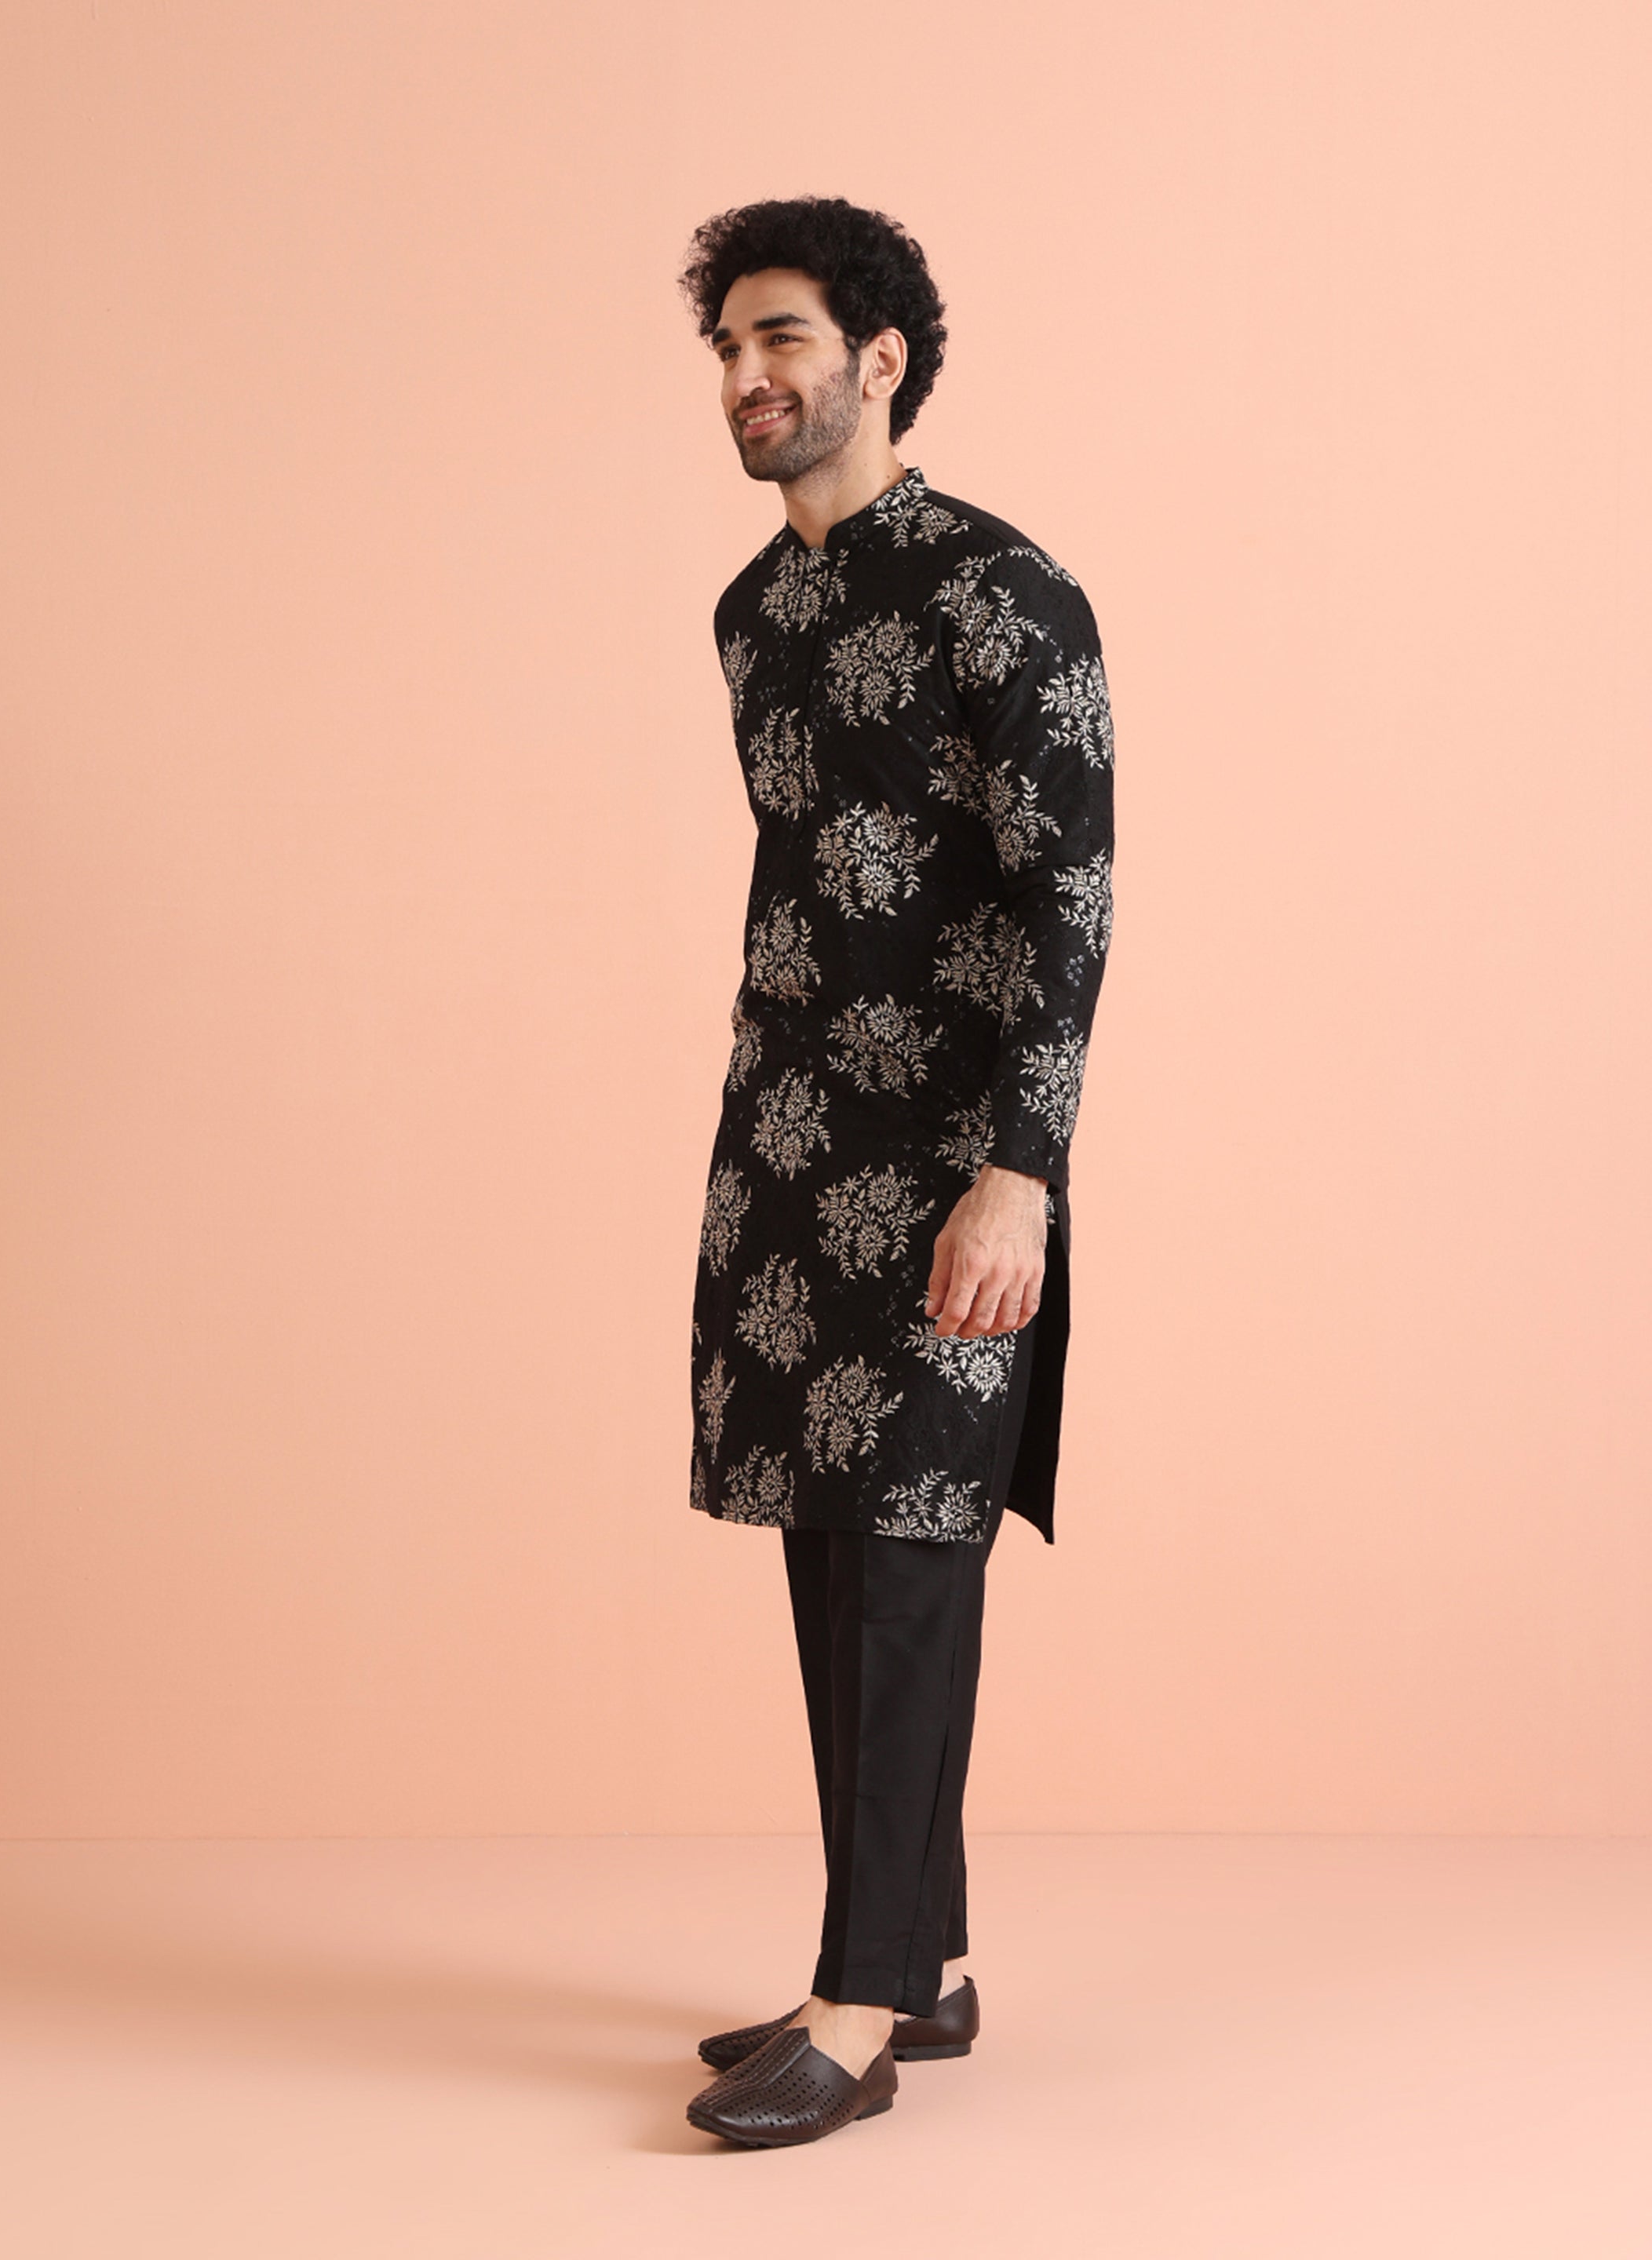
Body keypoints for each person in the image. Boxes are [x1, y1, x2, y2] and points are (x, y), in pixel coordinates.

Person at [678, 196, 1115, 2149]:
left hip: (953, 1160)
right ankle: (916, 1960)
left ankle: (855, 2011)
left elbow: (1067, 898)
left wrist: (1021, 1172)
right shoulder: (750, 615)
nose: (747, 378)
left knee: (918, 1559)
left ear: (880, 359)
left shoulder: (1007, 593)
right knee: (828, 1547)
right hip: (787, 1147)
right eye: (727, 349)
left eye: (781, 338)